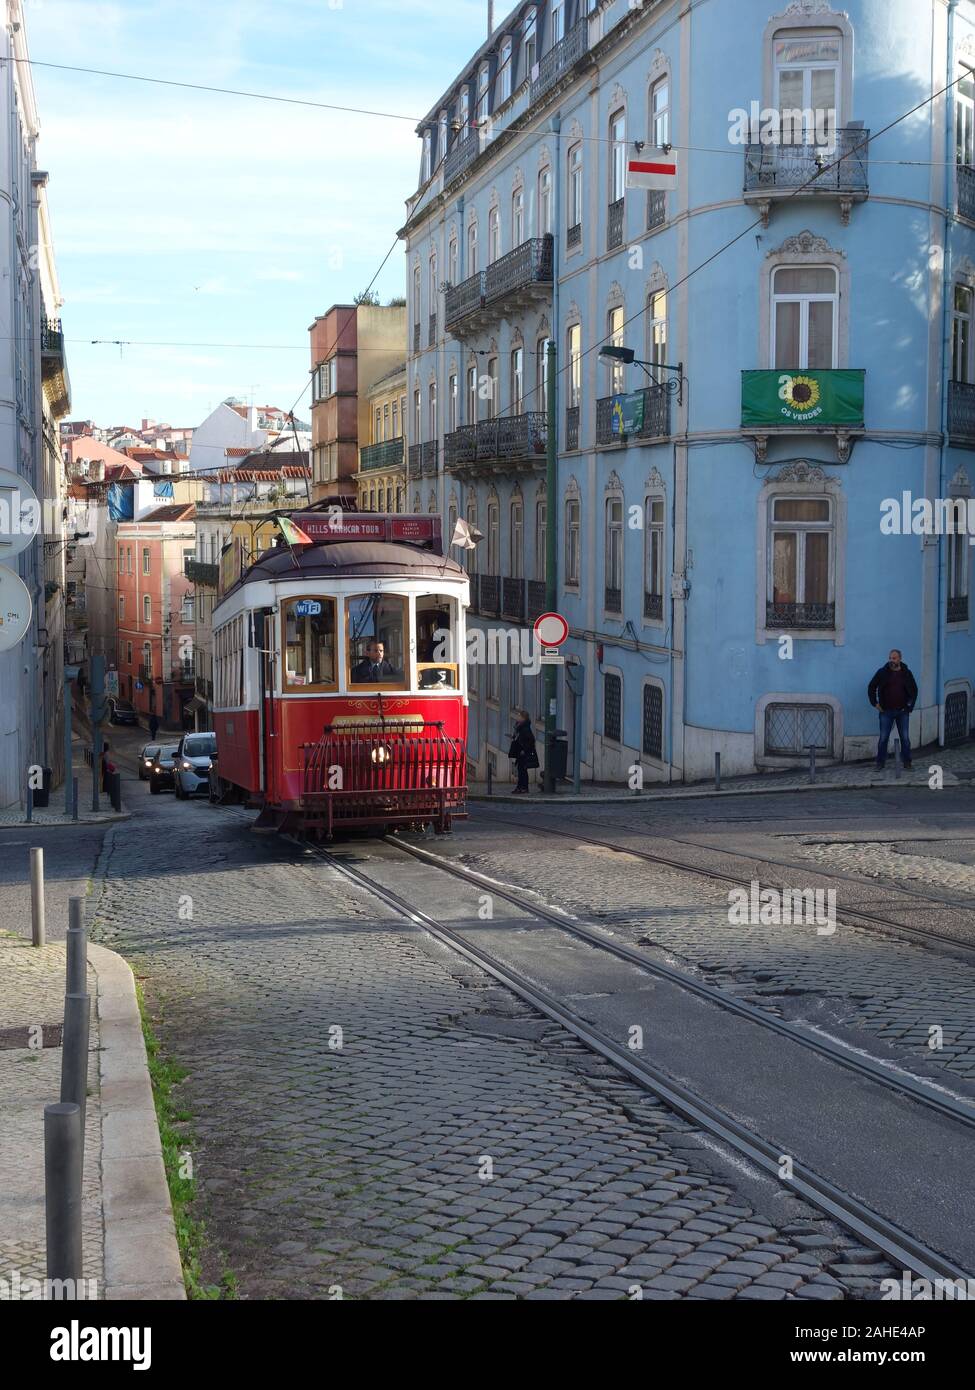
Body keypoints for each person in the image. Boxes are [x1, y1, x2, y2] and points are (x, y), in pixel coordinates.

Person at [868, 649, 918, 770]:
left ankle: (907, 762)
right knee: (883, 738)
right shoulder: (883, 672)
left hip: (902, 712)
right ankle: (880, 763)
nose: (891, 660)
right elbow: (871, 686)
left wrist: (909, 706)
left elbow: (914, 691)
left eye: (894, 658)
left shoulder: (906, 673)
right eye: (890, 658)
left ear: (900, 658)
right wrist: (875, 703)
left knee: (905, 738)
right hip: (886, 711)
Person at [508, 709, 539, 794]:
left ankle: (524, 787)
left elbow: (530, 740)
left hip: (523, 752)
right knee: (520, 770)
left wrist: (524, 750)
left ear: (523, 718)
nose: (517, 717)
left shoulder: (525, 728)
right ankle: (520, 787)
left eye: (519, 716)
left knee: (523, 770)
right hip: (519, 751)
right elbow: (519, 737)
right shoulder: (519, 727)